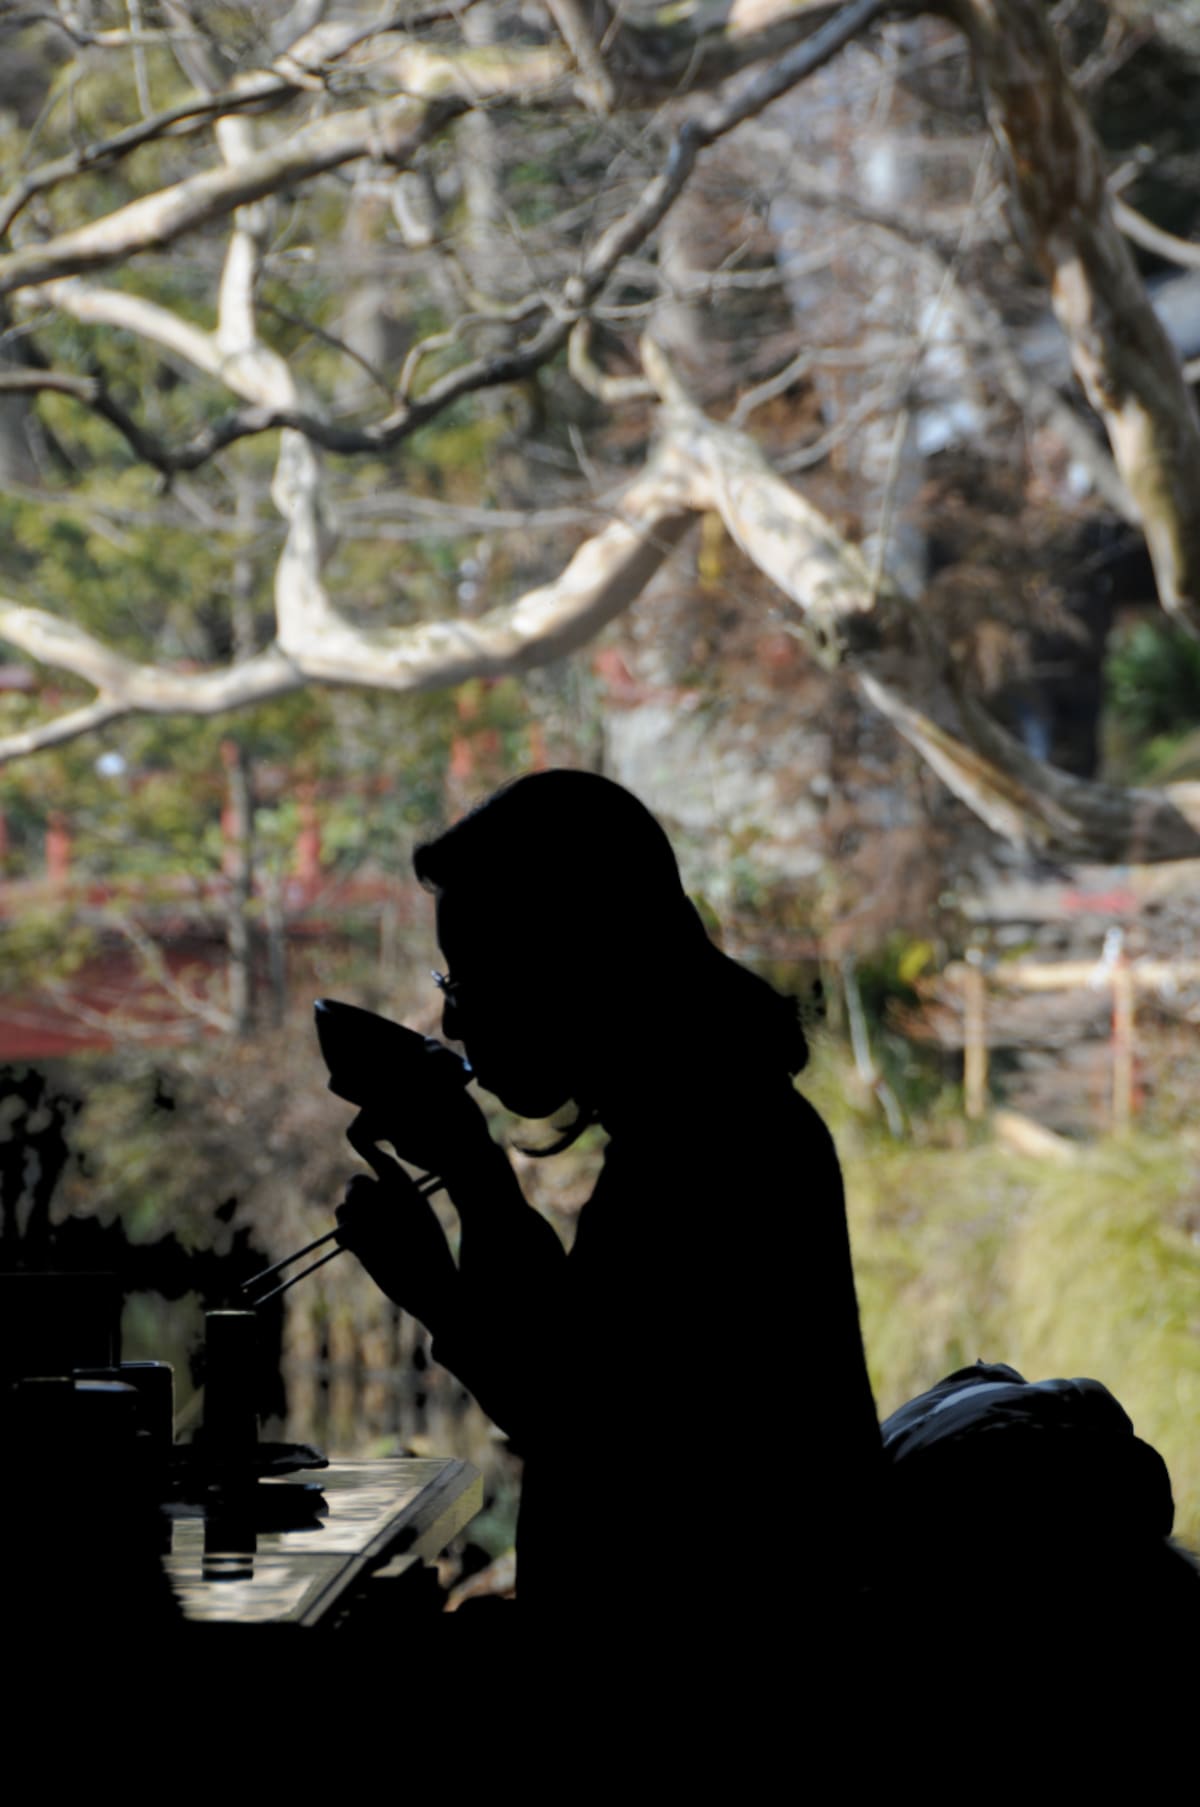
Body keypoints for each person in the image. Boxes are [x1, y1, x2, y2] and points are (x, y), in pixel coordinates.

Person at [334, 769, 882, 1637]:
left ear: (571, 968)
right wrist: (471, 1170)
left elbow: (585, 1426)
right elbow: (588, 1362)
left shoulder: (715, 1149)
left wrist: (437, 1287)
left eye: (470, 986)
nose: (453, 1028)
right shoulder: (711, 1115)